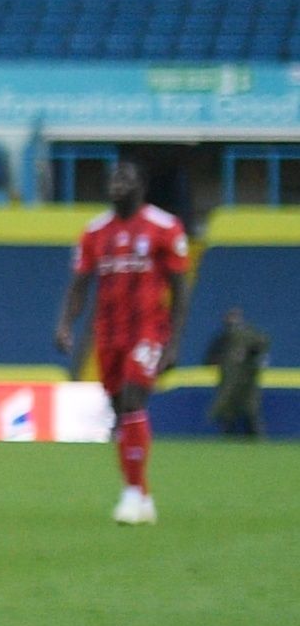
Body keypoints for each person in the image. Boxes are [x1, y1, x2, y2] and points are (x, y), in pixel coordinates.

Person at [55, 162, 191, 524]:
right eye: (113, 179)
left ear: (140, 186)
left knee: (132, 399)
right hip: (109, 333)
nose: (117, 184)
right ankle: (141, 494)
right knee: (119, 410)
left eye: (125, 179)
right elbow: (80, 283)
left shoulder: (164, 227)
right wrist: (66, 324)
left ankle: (131, 496)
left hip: (148, 330)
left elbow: (180, 290)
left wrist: (174, 342)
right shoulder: (95, 232)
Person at [204, 306, 268, 439]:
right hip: (229, 382)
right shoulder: (222, 339)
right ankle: (229, 439)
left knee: (250, 411)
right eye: (230, 317)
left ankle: (257, 439)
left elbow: (261, 345)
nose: (232, 321)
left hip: (246, 382)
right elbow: (209, 358)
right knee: (228, 413)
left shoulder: (249, 335)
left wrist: (252, 356)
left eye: (235, 317)